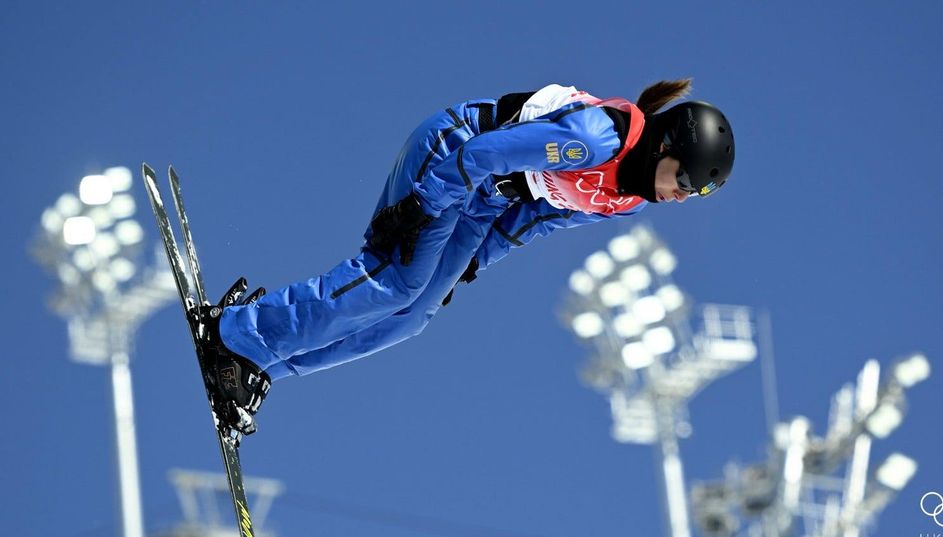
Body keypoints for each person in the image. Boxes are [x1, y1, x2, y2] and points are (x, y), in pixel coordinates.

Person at [196, 79, 736, 432]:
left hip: (482, 204)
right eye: (686, 179)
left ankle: (259, 366)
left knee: (414, 315)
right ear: (666, 144)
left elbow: (535, 217)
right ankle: (237, 332)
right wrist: (420, 205)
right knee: (397, 282)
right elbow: (482, 153)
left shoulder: (625, 200)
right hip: (451, 152)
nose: (681, 195)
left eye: (694, 195)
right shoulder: (596, 140)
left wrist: (472, 262)